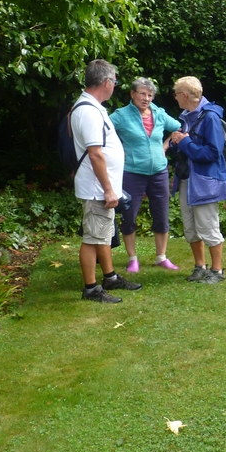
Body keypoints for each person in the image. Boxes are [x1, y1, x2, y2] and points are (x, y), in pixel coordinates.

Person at [71, 59, 143, 303]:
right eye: (115, 81)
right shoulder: (88, 111)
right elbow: (95, 153)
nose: (115, 86)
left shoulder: (93, 107)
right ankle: (91, 289)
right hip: (97, 189)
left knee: (101, 234)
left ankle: (109, 277)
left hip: (100, 187)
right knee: (92, 238)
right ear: (106, 82)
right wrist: (109, 190)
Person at [110, 77, 183, 273]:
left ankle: (161, 257)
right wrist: (118, 151)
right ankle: (132, 258)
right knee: (129, 215)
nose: (146, 98)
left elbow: (179, 127)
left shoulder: (159, 113)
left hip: (159, 171)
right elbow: (104, 131)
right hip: (132, 173)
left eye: (150, 95)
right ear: (132, 94)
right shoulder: (121, 115)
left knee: (161, 214)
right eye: (142, 93)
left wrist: (166, 145)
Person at [169, 76, 226, 284]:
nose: (175, 97)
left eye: (176, 93)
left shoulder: (210, 118)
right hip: (188, 180)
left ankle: (217, 271)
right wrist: (176, 143)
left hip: (205, 181)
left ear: (185, 95)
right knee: (190, 227)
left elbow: (213, 153)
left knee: (208, 226)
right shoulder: (186, 116)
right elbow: (185, 146)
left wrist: (185, 142)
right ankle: (200, 267)